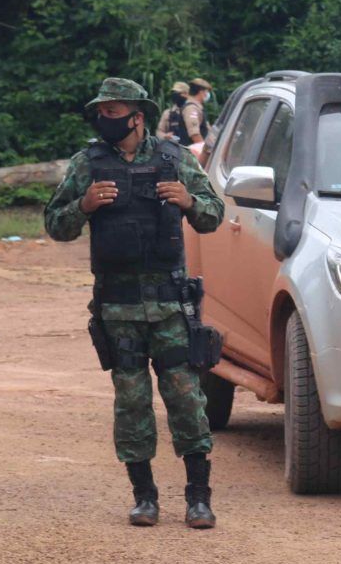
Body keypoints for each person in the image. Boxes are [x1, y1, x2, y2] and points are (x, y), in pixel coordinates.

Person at [44, 78, 227, 528]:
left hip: (169, 306)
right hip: (118, 307)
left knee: (186, 399)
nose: (106, 120)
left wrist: (188, 201)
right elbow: (55, 224)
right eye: (102, 113)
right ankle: (144, 497)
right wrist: (83, 206)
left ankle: (198, 498)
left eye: (114, 112)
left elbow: (214, 214)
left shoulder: (175, 159)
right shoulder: (87, 164)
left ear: (137, 116)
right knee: (131, 403)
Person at [180, 78, 213, 146]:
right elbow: (195, 134)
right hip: (192, 153)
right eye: (206, 91)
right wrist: (203, 152)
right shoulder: (191, 108)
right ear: (201, 92)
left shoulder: (197, 108)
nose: (207, 94)